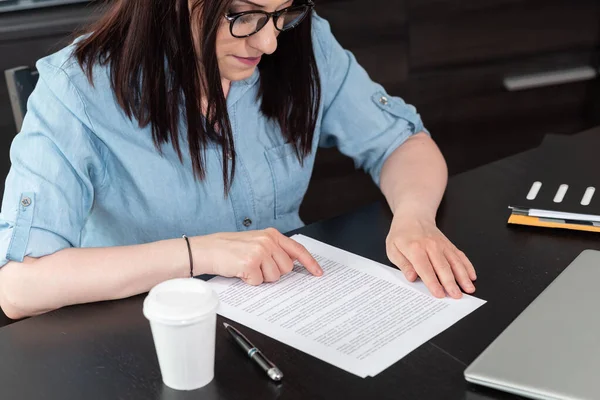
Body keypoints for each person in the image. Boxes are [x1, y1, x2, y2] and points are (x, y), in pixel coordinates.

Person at [0, 0, 476, 320]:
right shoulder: (77, 89)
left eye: (281, 13)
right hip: (151, 335)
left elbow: (401, 142)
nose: (268, 43)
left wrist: (415, 219)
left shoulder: (300, 42)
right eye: (245, 16)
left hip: (293, 312)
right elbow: (19, 287)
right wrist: (199, 253)